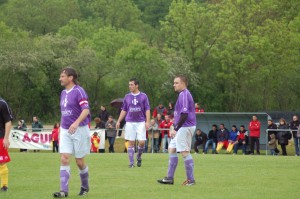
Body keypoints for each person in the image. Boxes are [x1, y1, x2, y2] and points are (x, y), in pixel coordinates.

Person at [53, 67, 91, 198]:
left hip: (79, 129)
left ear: (71, 78)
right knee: (64, 158)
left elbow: (85, 110)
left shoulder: (79, 91)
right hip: (65, 129)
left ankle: (85, 186)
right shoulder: (63, 93)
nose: (60, 78)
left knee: (79, 161)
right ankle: (64, 191)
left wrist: (76, 123)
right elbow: (64, 113)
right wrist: (60, 128)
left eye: (63, 76)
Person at [157, 75, 196, 186]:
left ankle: (191, 180)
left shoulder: (184, 94)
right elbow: (179, 114)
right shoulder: (182, 94)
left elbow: (184, 114)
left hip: (185, 127)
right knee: (172, 149)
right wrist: (174, 126)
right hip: (181, 127)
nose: (174, 85)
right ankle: (169, 178)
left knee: (184, 152)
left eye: (176, 83)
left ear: (183, 84)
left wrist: (176, 128)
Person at [116, 78, 151, 168]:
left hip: (140, 122)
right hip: (130, 122)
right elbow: (124, 110)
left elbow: (147, 109)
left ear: (136, 85)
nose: (130, 86)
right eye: (129, 85)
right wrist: (119, 121)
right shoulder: (127, 97)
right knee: (130, 142)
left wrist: (147, 121)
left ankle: (139, 156)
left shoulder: (143, 96)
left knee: (142, 142)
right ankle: (131, 163)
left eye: (131, 84)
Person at [0, 97, 13, 192]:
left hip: (0, 137)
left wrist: (6, 138)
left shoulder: (2, 103)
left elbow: (8, 121)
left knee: (1, 162)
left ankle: (4, 185)